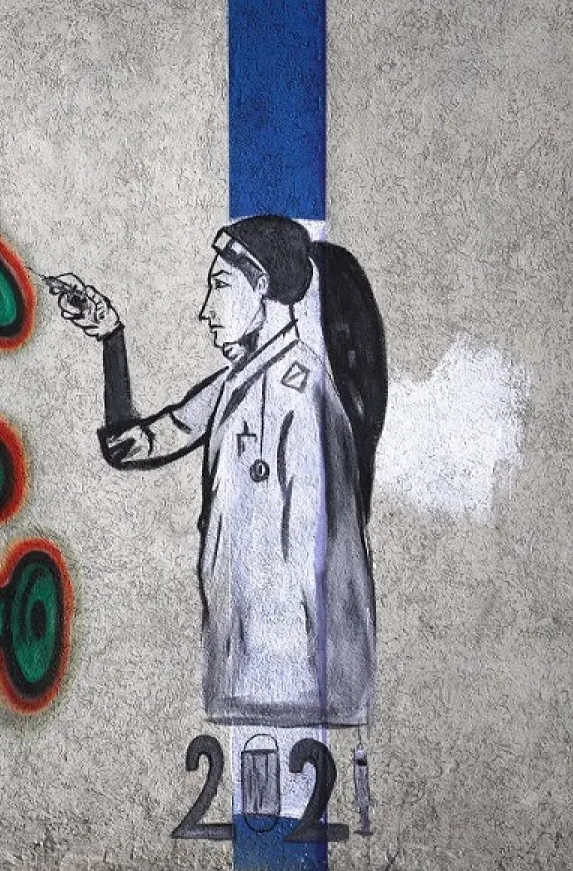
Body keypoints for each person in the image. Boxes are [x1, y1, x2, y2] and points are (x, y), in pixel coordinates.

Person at [59, 215, 382, 728]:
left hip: (295, 687)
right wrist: (111, 337)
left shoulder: (303, 399)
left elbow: (313, 560)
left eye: (220, 286)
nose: (206, 311)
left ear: (262, 286)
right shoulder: (237, 383)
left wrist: (315, 688)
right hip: (246, 671)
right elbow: (137, 443)